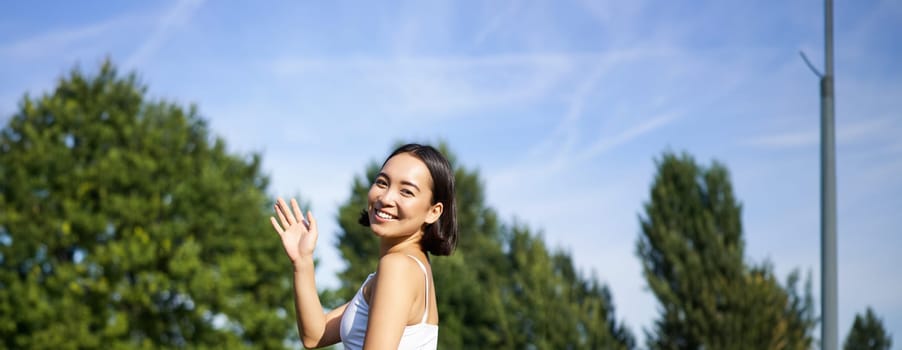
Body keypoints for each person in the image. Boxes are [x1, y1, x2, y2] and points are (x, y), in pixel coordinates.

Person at [270, 143, 458, 349]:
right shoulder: (407, 268)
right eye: (382, 182)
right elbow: (315, 336)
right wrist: (303, 261)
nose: (385, 198)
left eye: (406, 191)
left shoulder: (398, 266)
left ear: (434, 211)